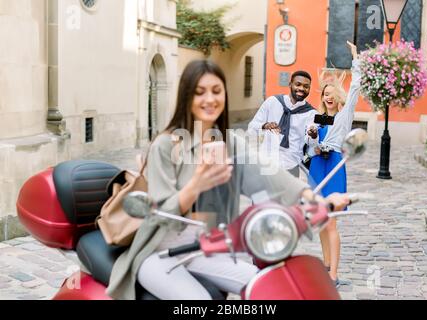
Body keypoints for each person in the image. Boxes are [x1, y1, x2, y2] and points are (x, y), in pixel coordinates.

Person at [106, 60, 350, 300]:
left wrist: (314, 198)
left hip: (206, 249)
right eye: (199, 92)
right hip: (160, 253)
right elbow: (159, 214)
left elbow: (268, 174)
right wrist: (196, 185)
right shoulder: (166, 145)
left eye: (216, 91)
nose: (209, 99)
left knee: (269, 287)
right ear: (186, 97)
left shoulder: (229, 143)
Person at [305, 41, 361, 287]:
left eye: (330, 94)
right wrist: (312, 136)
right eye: (324, 95)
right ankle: (326, 266)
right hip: (317, 165)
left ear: (337, 96)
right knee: (320, 221)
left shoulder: (344, 114)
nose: (327, 98)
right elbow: (309, 143)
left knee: (332, 222)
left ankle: (334, 275)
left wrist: (355, 59)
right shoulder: (318, 117)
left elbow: (356, 86)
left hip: (335, 165)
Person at [247, 71, 317, 177]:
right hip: (266, 161)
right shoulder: (272, 102)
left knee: (290, 194)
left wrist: (313, 135)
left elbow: (311, 143)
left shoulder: (311, 113)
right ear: (290, 84)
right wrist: (264, 126)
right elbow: (252, 127)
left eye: (306, 86)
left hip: (291, 165)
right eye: (298, 84)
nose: (302, 89)